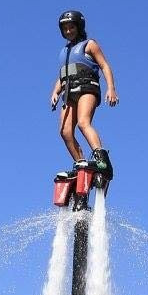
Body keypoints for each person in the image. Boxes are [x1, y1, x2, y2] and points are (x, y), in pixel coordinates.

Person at [50, 10, 118, 179]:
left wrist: (111, 88)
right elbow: (63, 75)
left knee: (83, 122)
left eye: (71, 27)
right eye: (65, 28)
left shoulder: (89, 45)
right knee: (65, 132)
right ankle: (81, 164)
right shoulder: (65, 51)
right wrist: (55, 92)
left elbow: (105, 66)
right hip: (69, 92)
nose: (68, 31)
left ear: (79, 27)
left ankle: (101, 159)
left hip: (87, 88)